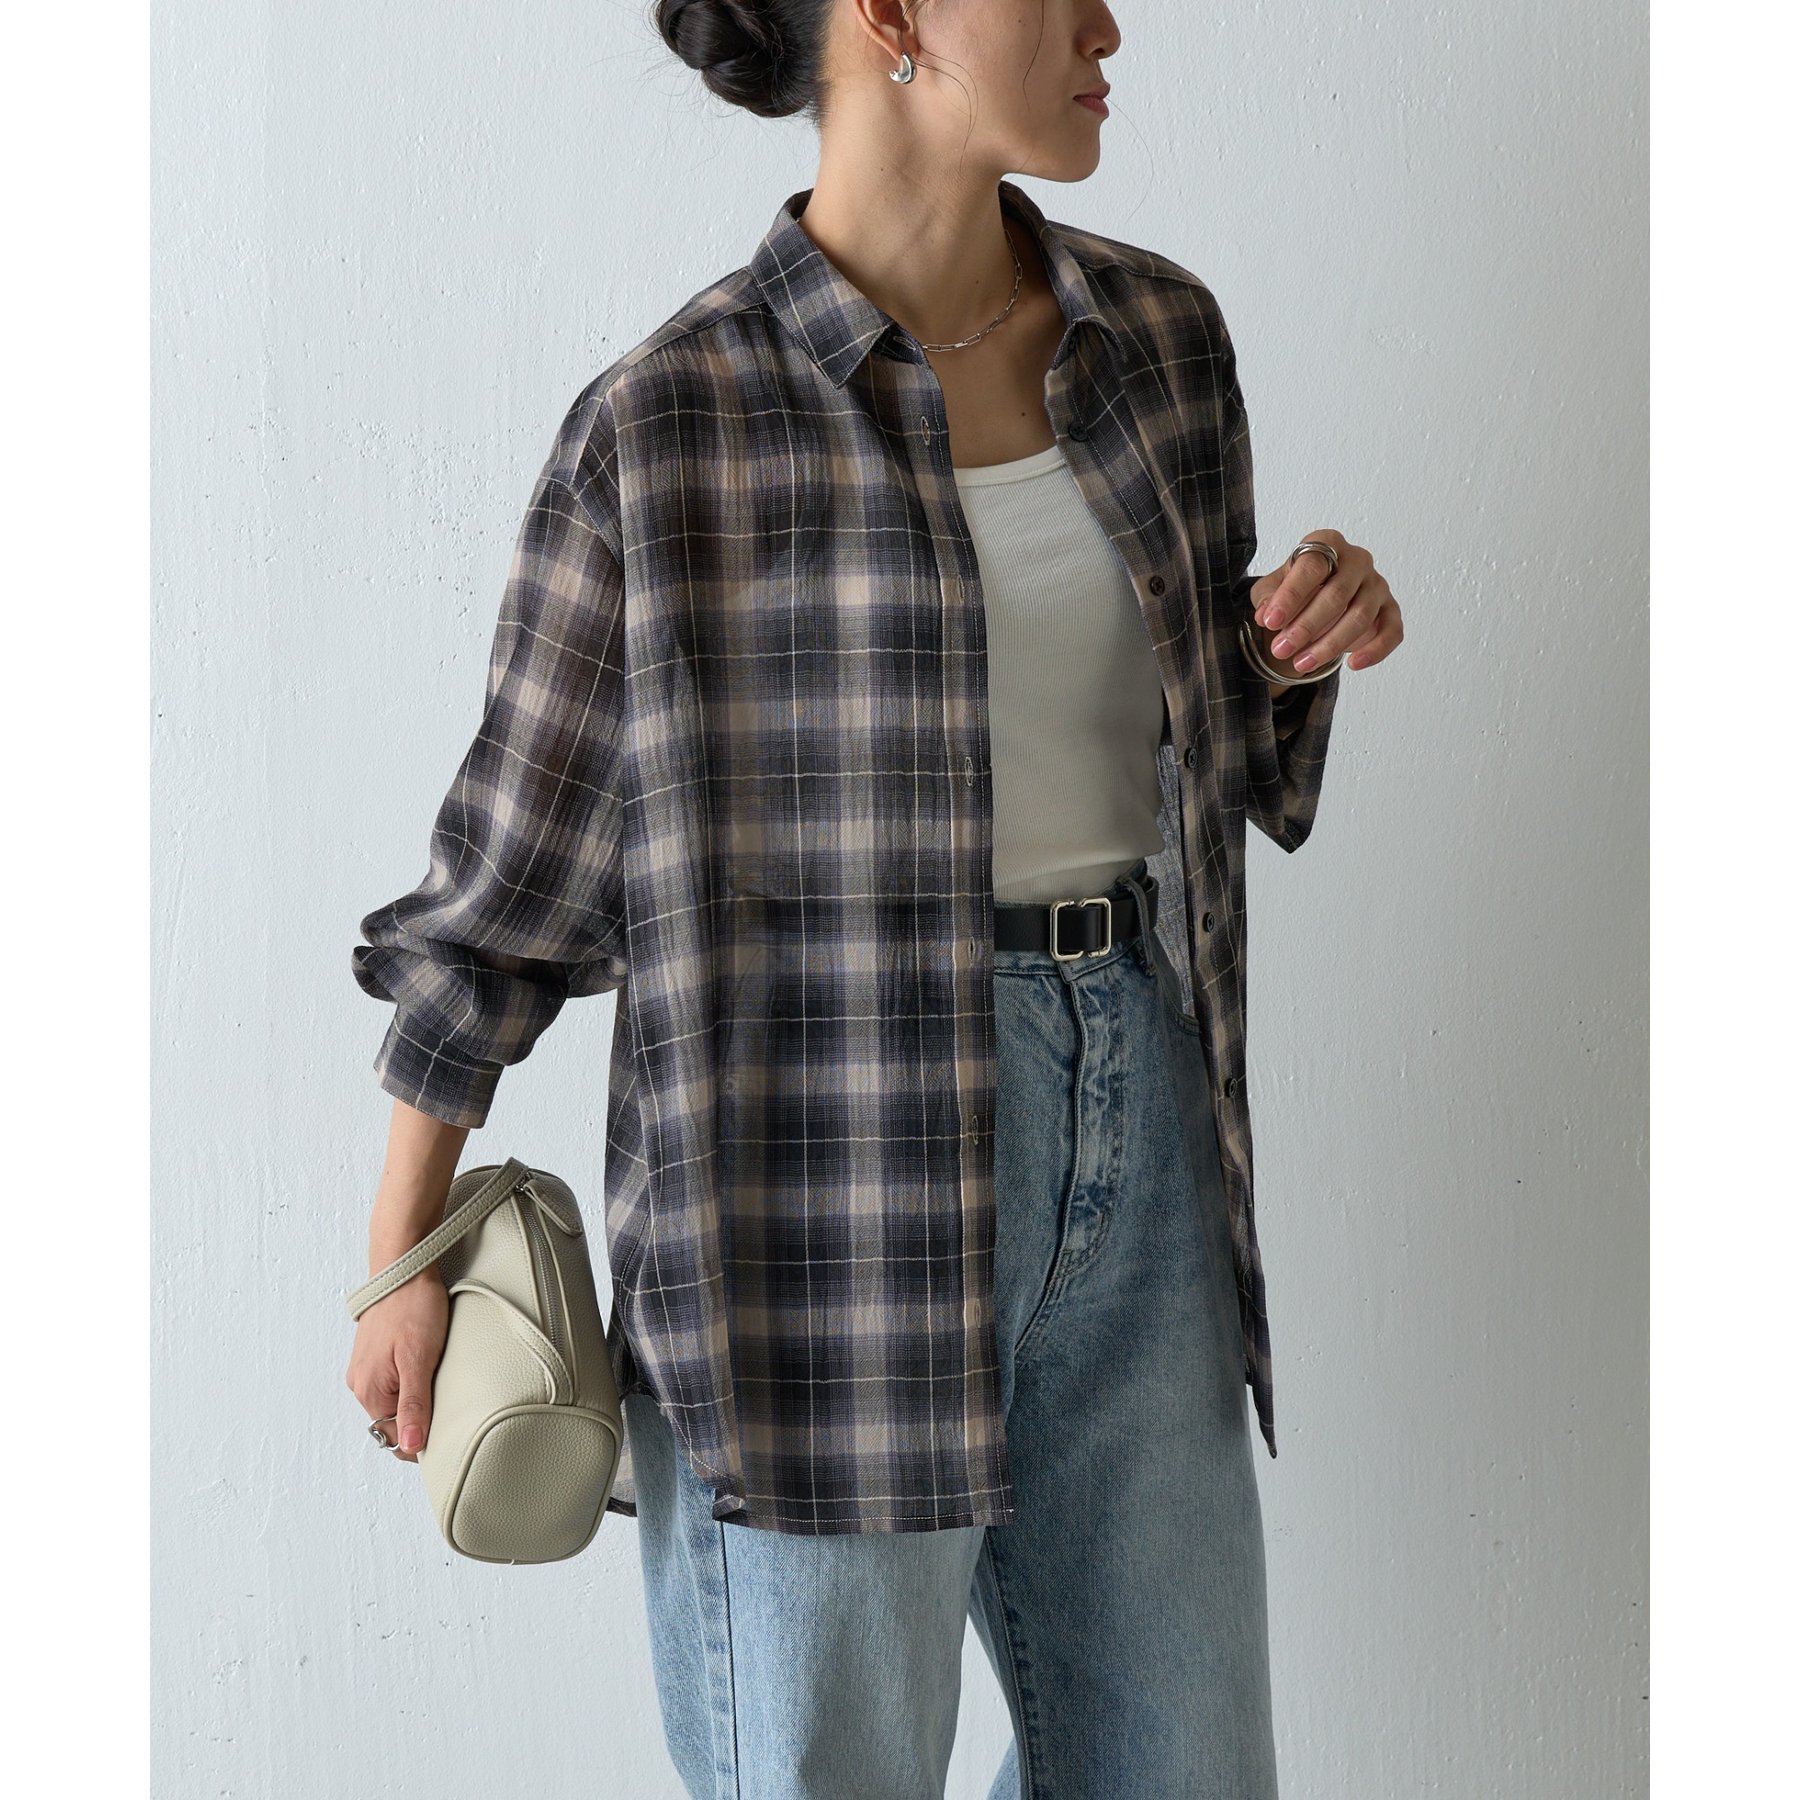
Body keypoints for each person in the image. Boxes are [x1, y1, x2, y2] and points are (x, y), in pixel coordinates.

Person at [343, 0, 1403, 1793]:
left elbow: (1200, 760)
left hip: (1138, 1127)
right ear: (894, 14)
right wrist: (402, 1256)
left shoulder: (1159, 342)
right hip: (812, 1199)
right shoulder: (669, 429)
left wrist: (1292, 639)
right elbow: (504, 892)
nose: (1109, 24)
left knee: (1186, 1769)